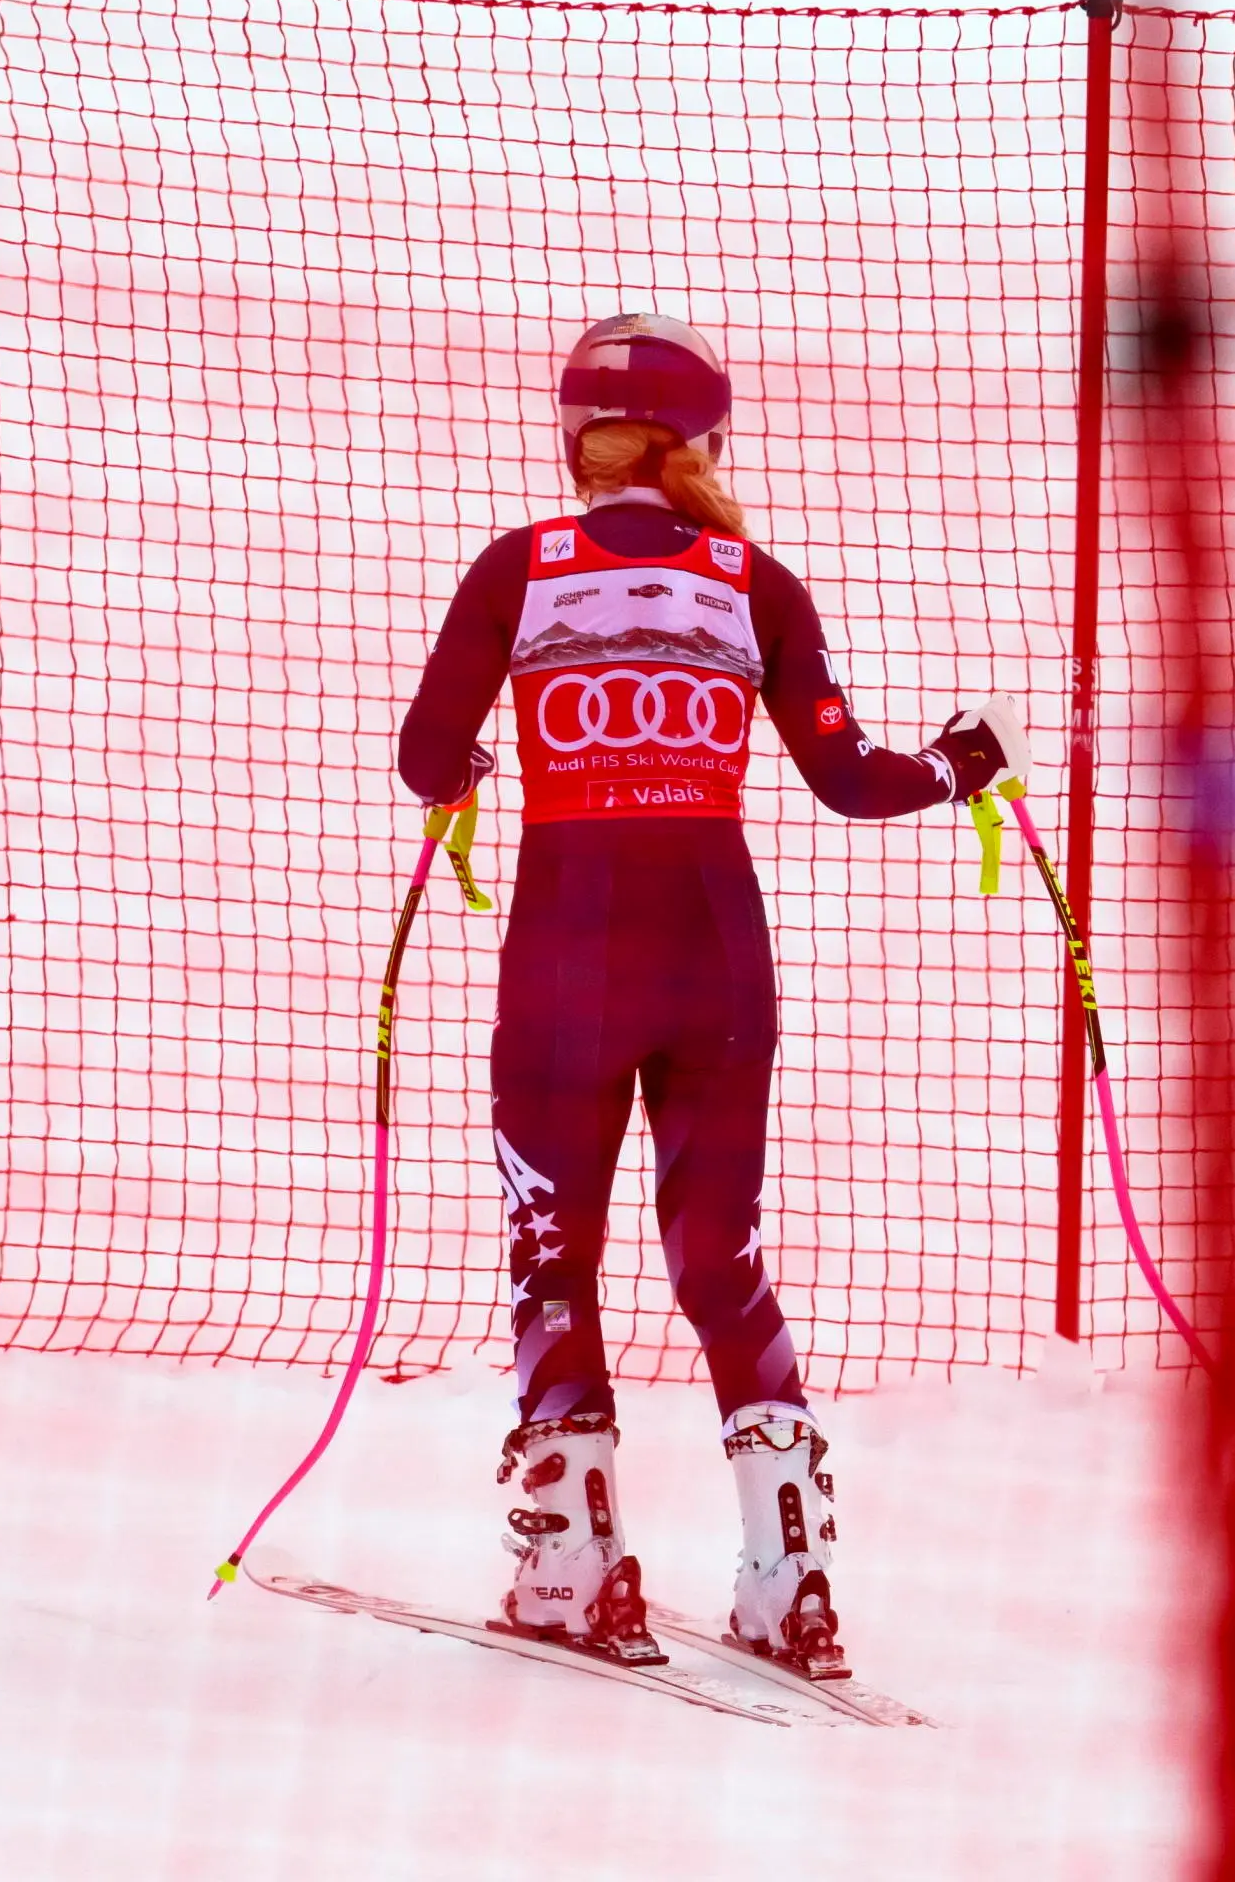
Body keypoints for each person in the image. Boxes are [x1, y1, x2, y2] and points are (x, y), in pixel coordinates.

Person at [396, 312, 1017, 1677]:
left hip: (569, 952)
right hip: (718, 954)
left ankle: (571, 1565)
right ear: (705, 441)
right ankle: (787, 1577)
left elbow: (427, 751)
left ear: (577, 441)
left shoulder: (521, 569)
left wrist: (473, 772)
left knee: (554, 1248)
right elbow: (850, 778)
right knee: (718, 1258)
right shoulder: (756, 582)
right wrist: (957, 767)